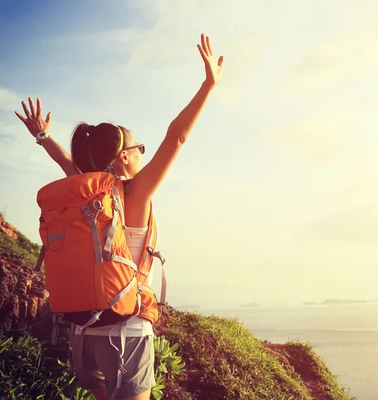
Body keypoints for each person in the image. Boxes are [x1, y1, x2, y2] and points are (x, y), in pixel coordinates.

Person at [16, 33, 223, 400]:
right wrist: (209, 84)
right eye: (139, 147)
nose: (144, 152)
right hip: (125, 332)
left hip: (83, 333)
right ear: (124, 157)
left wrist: (45, 137)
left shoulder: (87, 194)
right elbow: (176, 137)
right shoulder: (134, 194)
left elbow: (69, 164)